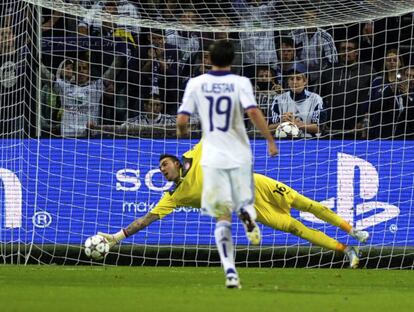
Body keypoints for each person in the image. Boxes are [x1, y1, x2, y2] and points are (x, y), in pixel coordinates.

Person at [97, 142, 369, 278]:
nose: (162, 169)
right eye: (159, 169)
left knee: (307, 205)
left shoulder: (197, 154)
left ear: (177, 162)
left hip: (256, 184)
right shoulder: (174, 196)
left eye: (165, 164)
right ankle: (347, 250)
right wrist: (115, 238)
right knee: (295, 228)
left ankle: (351, 230)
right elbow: (146, 220)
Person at [176, 39, 278, 288]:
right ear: (233, 60)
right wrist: (269, 139)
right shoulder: (240, 82)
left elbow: (181, 118)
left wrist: (182, 131)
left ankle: (230, 272)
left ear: (209, 59)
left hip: (213, 156)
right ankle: (247, 213)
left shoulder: (196, 83)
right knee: (244, 201)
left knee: (222, 216)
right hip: (239, 152)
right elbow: (253, 113)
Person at [320, 39, 372, 138]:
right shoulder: (329, 71)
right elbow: (320, 97)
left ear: (357, 52)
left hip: (357, 127)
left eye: (350, 49)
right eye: (343, 49)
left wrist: (364, 121)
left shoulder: (367, 71)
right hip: (331, 127)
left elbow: (372, 99)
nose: (346, 52)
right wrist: (322, 120)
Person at [269, 63, 326, 138]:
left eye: (298, 79)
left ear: (305, 81)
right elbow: (268, 128)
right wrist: (282, 123)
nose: (294, 82)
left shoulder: (316, 99)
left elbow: (319, 128)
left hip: (309, 142)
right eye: (291, 79)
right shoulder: (278, 100)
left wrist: (295, 124)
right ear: (288, 82)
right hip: (283, 142)